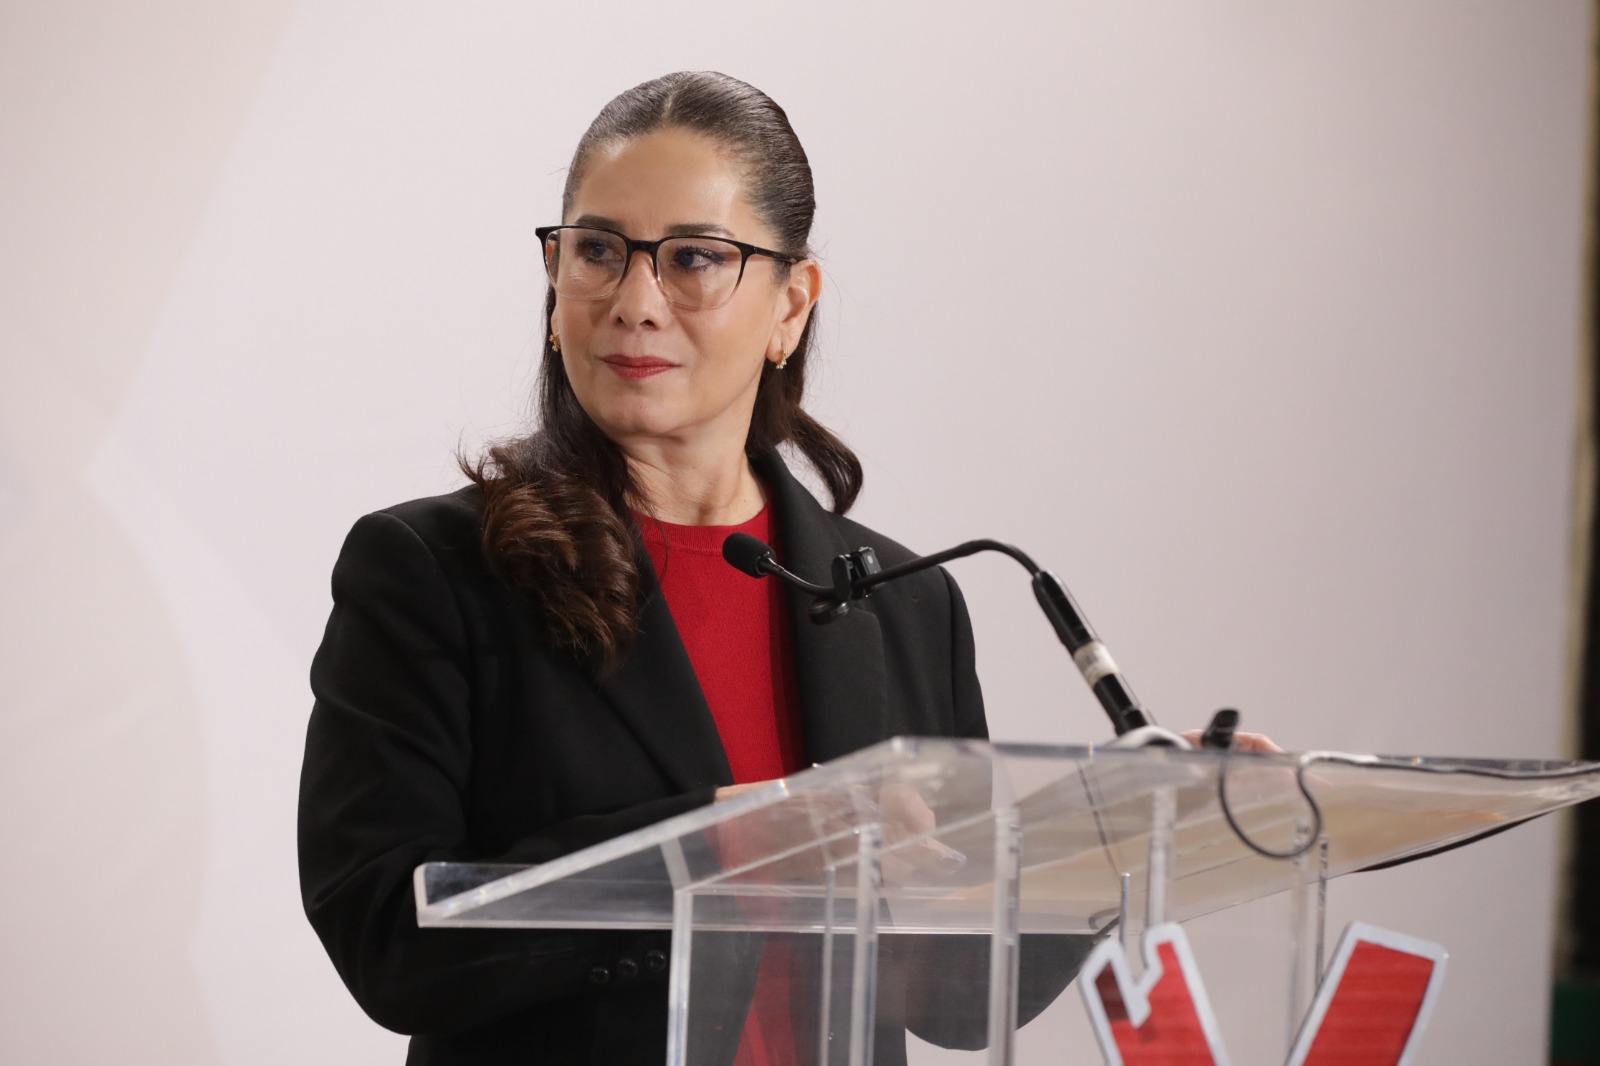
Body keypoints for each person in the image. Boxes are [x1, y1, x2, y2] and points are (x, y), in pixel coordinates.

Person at [303, 70, 1229, 1066]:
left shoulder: (908, 605)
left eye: (695, 258)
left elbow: (951, 999)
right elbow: (386, 941)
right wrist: (728, 841)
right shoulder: (434, 573)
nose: (635, 303)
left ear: (791, 305)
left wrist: (1115, 841)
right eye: (598, 251)